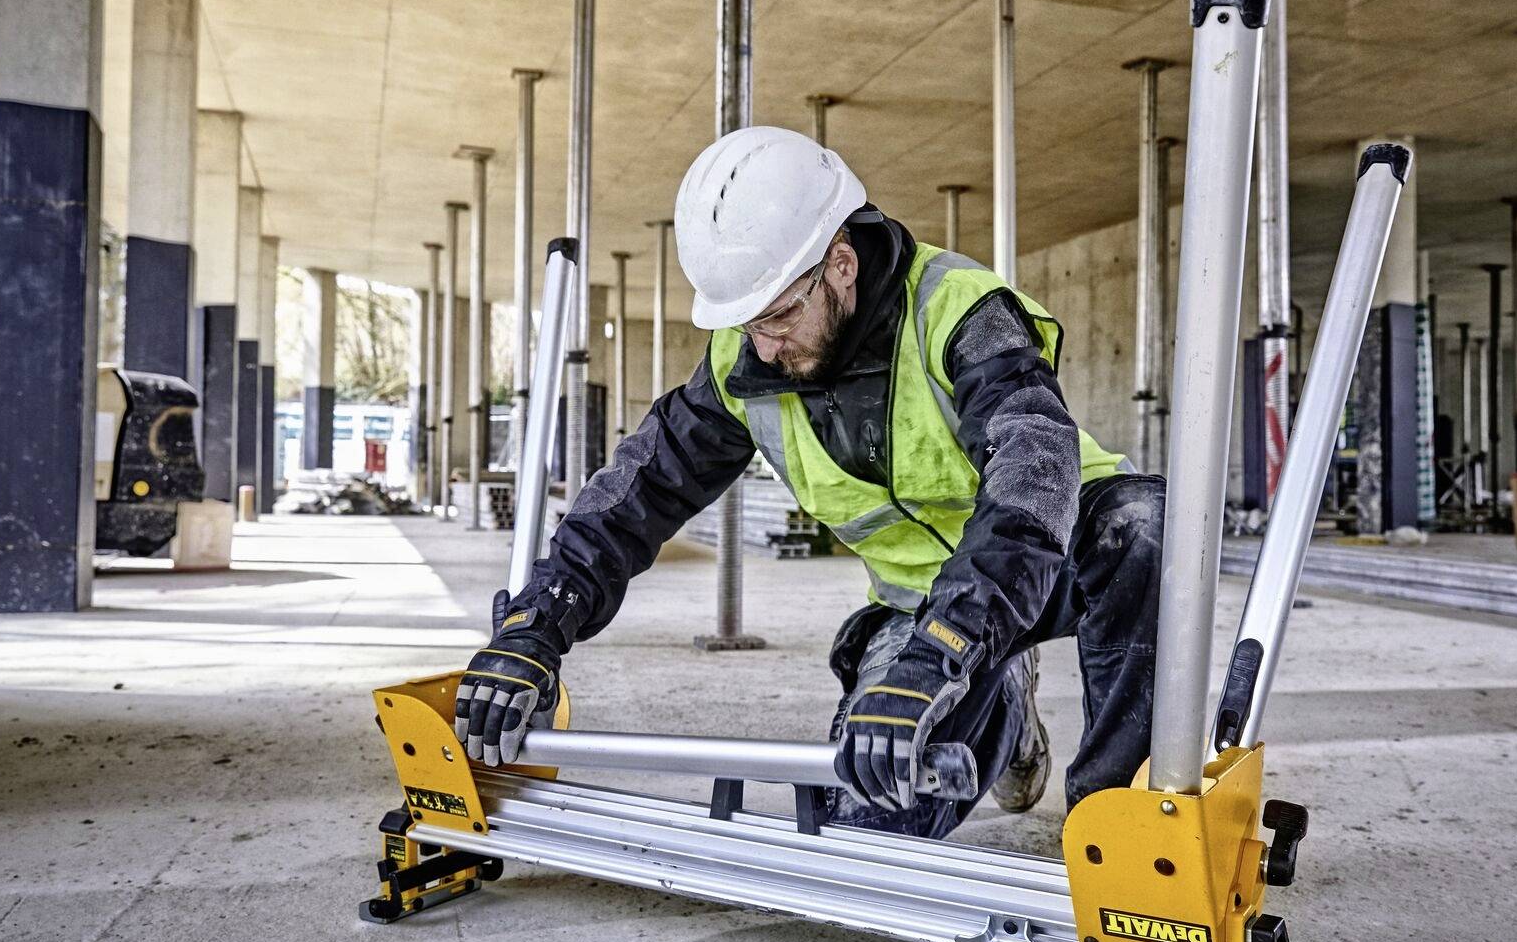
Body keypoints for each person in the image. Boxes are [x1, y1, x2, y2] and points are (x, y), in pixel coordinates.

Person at [455, 125, 1164, 839]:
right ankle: (1005, 707)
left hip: (1054, 551)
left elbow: (1032, 477)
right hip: (920, 603)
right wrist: (536, 624)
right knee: (864, 826)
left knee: (1145, 527)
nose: (763, 344)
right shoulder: (747, 361)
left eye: (781, 314)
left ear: (842, 265)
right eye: (747, 322)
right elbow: (639, 489)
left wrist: (946, 646)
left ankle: (1122, 826)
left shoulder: (960, 314)